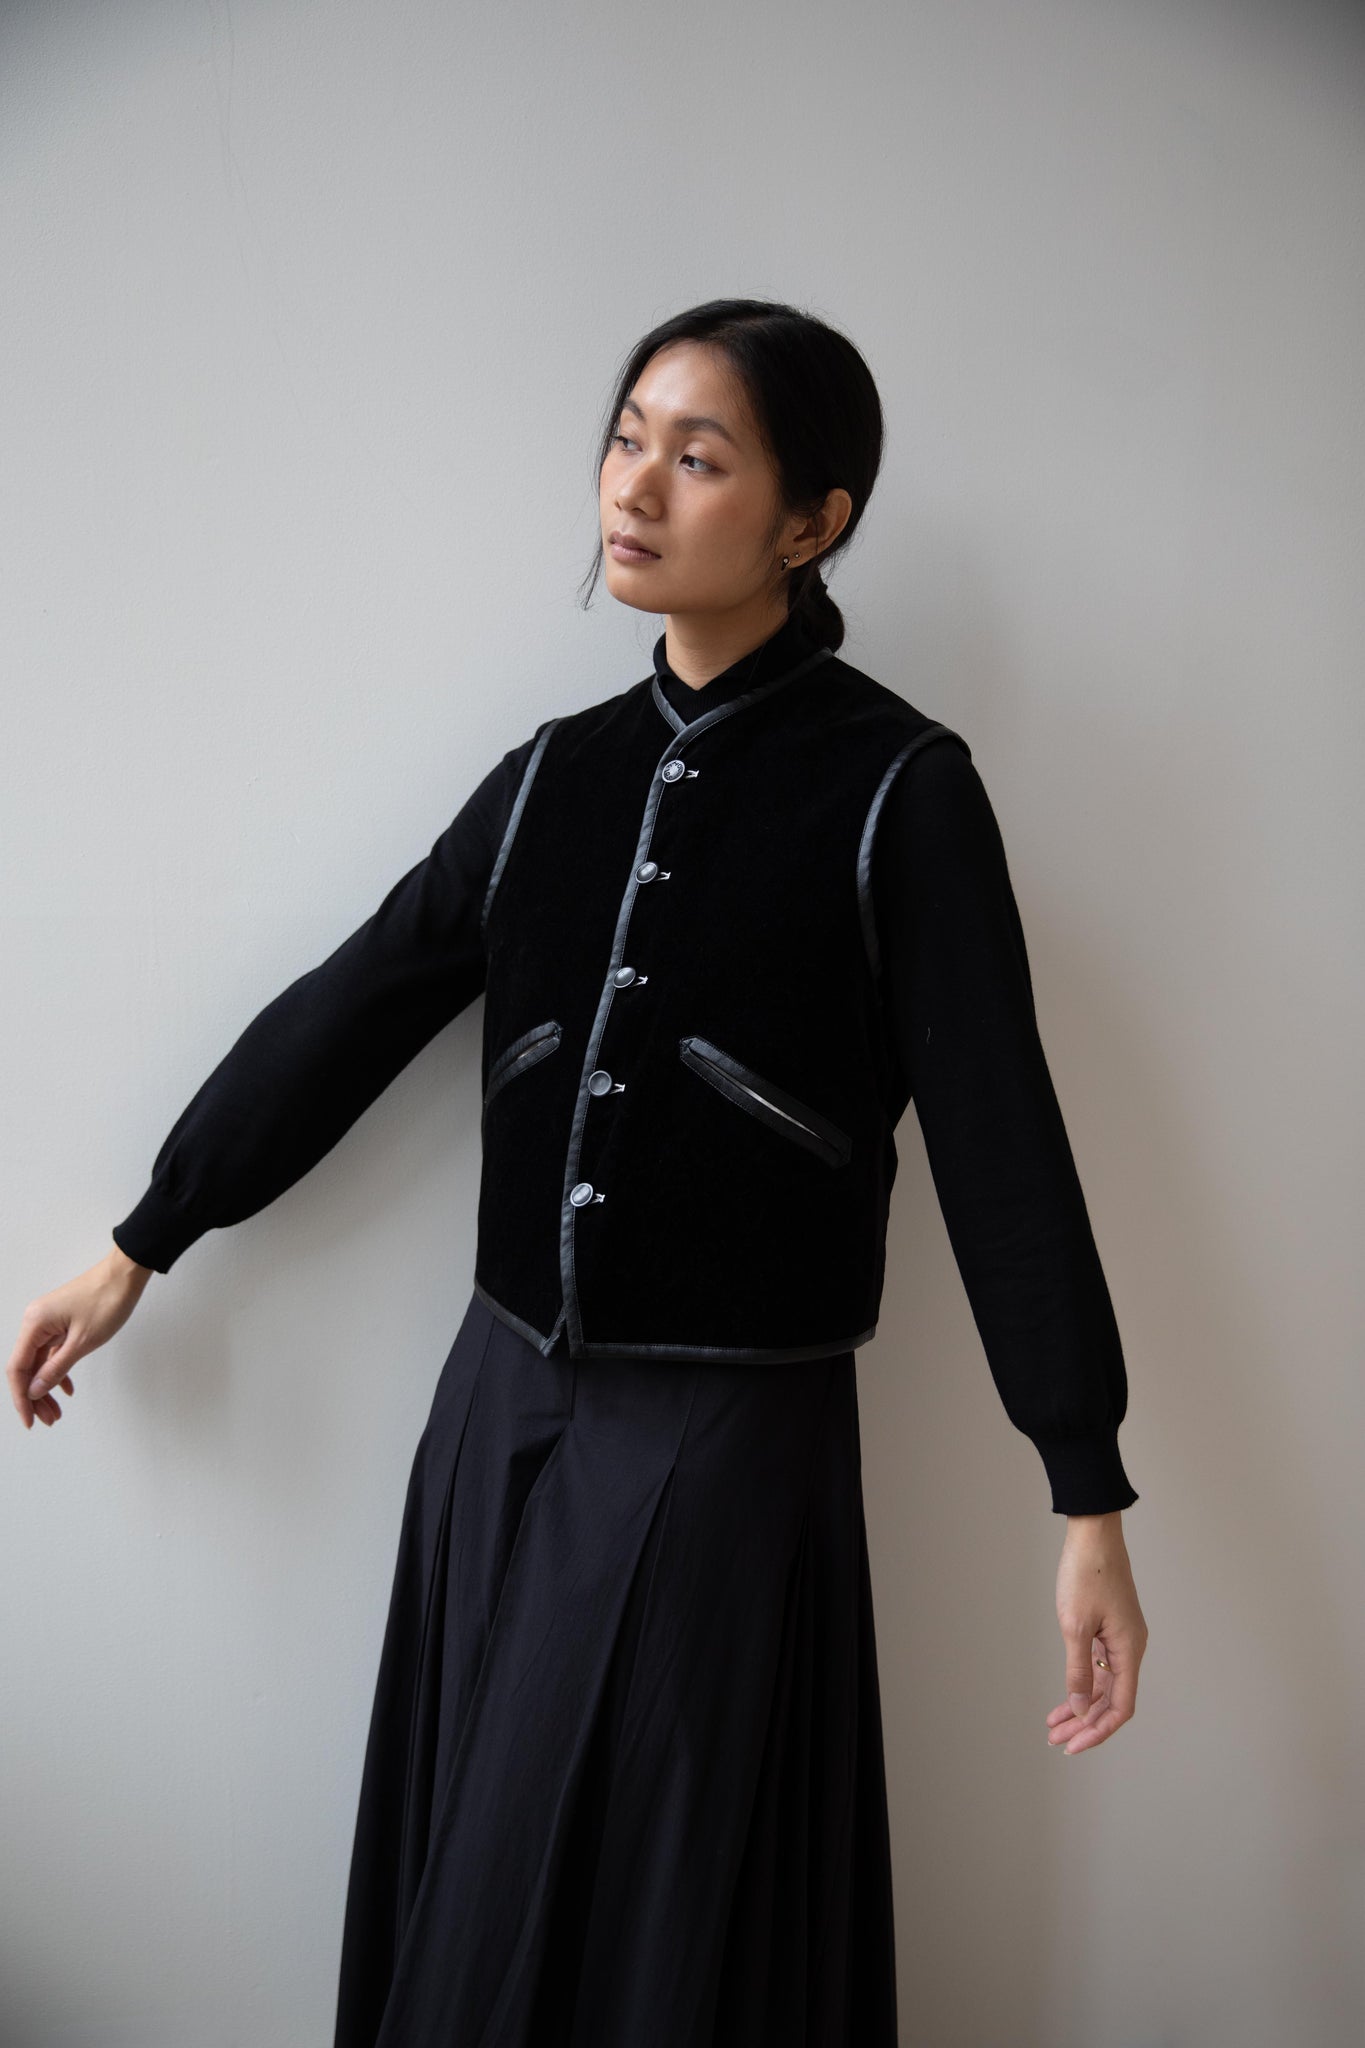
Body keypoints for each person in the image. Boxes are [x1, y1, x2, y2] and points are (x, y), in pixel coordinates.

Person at [8, 297, 1148, 2046]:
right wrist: (145, 1238)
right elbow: (357, 1003)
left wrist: (1085, 1491)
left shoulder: (896, 790)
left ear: (811, 520)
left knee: (629, 1919)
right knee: (481, 1860)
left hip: (724, 1431)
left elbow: (1003, 1140)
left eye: (698, 457)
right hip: (497, 1408)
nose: (634, 487)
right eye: (626, 440)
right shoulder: (551, 778)